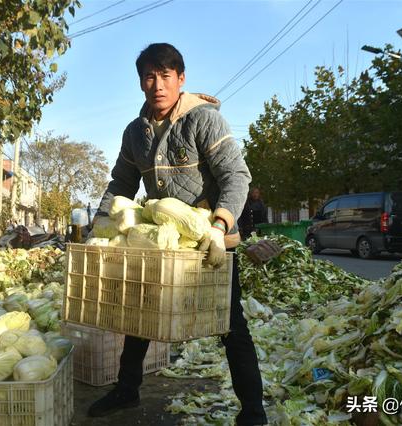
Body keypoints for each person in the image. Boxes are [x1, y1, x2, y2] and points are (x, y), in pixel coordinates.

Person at [88, 43, 274, 425]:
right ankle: (126, 389)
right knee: (138, 315)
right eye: (149, 77)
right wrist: (97, 226)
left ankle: (253, 413)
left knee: (230, 325)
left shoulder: (203, 120)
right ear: (141, 82)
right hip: (162, 241)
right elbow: (121, 184)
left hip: (211, 242)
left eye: (166, 76)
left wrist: (219, 228)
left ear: (181, 79)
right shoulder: (135, 133)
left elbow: (236, 177)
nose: (157, 84)